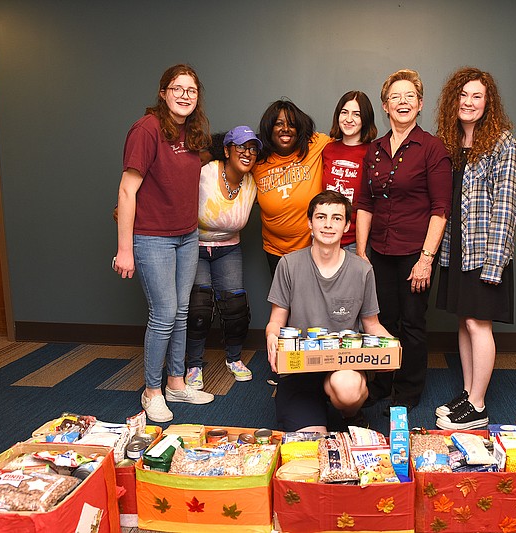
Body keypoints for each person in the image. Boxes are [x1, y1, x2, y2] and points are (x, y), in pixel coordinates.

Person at [113, 64, 214, 423]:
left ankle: (176, 383)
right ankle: (151, 391)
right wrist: (125, 249)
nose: (185, 95)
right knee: (164, 313)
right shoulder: (147, 129)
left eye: (192, 90)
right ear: (163, 92)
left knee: (182, 312)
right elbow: (127, 190)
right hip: (152, 238)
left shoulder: (191, 132)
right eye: (178, 88)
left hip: (187, 235)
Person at [354, 69, 452, 411]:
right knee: (381, 319)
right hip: (378, 249)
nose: (402, 102)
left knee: (411, 322)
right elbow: (364, 203)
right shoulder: (375, 150)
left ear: (420, 104)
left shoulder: (432, 148)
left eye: (410, 96)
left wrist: (426, 259)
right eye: (395, 96)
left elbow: (441, 209)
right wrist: (362, 252)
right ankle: (381, 384)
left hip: (416, 251)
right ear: (385, 106)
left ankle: (409, 392)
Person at [433, 67, 516, 430]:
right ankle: (469, 393)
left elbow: (507, 204)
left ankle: (479, 405)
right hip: (456, 248)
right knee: (463, 321)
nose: (468, 103)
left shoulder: (503, 142)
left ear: (488, 103)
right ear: (454, 101)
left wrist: (494, 262)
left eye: (477, 97)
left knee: (477, 322)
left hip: (485, 250)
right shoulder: (450, 142)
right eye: (463, 95)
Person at [266, 190, 391, 432]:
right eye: (321, 217)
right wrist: (272, 337)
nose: (328, 224)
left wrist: (391, 348)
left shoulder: (362, 270)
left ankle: (350, 415)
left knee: (347, 388)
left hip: (343, 365)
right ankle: (311, 411)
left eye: (336, 218)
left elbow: (372, 324)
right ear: (309, 223)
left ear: (346, 226)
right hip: (299, 368)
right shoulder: (288, 264)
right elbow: (276, 321)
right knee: (312, 445)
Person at [184, 126, 261, 389]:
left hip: (228, 248)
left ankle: (234, 359)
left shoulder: (253, 180)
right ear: (227, 150)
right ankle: (194, 365)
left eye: (252, 149)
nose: (247, 153)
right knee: (199, 307)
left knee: (235, 306)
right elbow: (169, 186)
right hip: (194, 245)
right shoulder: (205, 171)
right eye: (241, 147)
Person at [253, 100, 331, 276]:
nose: (285, 129)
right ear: (269, 129)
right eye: (278, 124)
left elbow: (349, 143)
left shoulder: (316, 145)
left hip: (312, 248)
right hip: (275, 251)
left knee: (312, 301)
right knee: (282, 302)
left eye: (291, 124)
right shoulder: (257, 157)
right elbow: (232, 148)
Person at [321, 91, 377, 253]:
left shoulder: (373, 152)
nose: (349, 119)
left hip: (357, 241)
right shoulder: (328, 149)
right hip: (325, 236)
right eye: (344, 112)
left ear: (365, 119)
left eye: (357, 114)